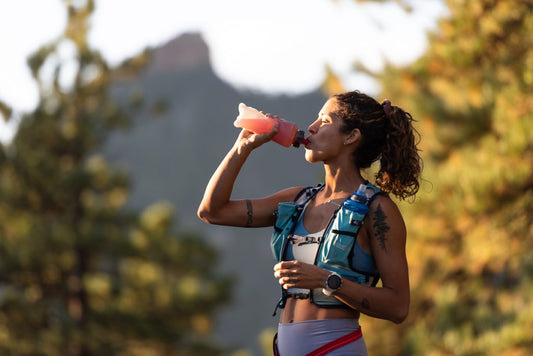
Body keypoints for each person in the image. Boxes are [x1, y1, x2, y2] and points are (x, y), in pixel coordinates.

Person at [197, 90, 422, 355]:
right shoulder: (297, 200)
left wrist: (327, 280)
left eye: (325, 121)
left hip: (336, 348)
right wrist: (242, 148)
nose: (311, 128)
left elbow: (398, 307)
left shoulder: (378, 210)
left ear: (351, 136)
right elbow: (213, 212)